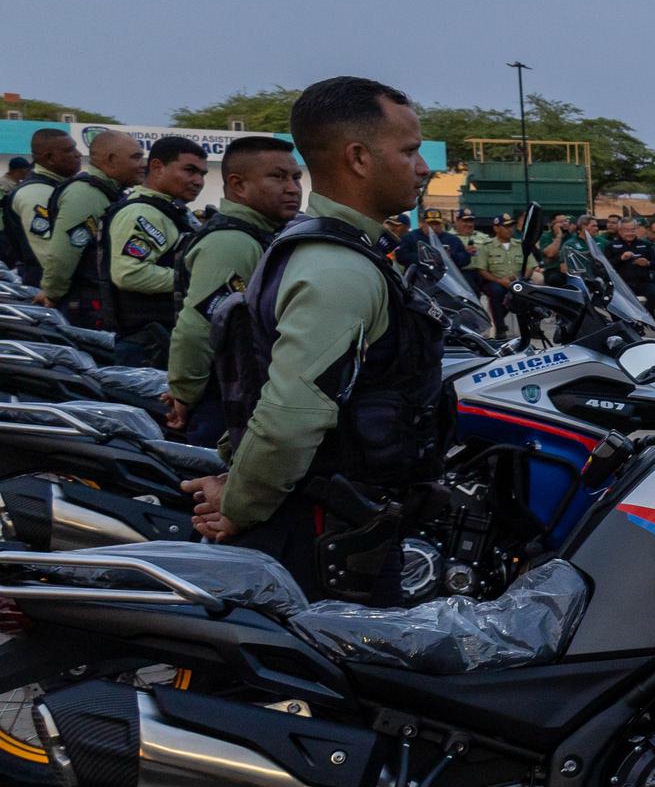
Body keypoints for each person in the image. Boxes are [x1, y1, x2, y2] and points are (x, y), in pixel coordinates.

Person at [181, 76, 445, 603]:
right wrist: (237, 505)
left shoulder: (327, 248)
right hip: (328, 529)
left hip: (331, 515)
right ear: (359, 158)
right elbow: (289, 419)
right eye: (409, 151)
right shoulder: (338, 268)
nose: (423, 168)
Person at [166, 136, 303, 445]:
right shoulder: (233, 241)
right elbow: (197, 329)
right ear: (238, 185)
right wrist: (184, 395)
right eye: (277, 177)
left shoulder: (262, 235)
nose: (293, 188)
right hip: (224, 402)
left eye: (296, 178)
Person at [89, 135, 212, 368]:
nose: (198, 181)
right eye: (189, 170)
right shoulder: (143, 213)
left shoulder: (170, 209)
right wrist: (195, 280)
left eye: (202, 174)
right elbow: (130, 273)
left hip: (159, 340)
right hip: (148, 345)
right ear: (157, 167)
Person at [37, 129, 145, 325]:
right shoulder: (86, 194)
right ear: (111, 160)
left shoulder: (108, 191)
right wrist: (52, 294)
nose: (142, 165)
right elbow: (64, 253)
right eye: (136, 158)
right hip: (85, 307)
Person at [7, 128, 81, 287]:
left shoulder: (58, 186)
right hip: (48, 290)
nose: (78, 154)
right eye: (69, 150)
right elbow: (48, 256)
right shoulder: (36, 193)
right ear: (49, 158)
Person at [471, 213, 532, 342]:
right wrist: (500, 281)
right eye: (506, 227)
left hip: (518, 281)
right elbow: (482, 270)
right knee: (496, 291)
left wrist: (521, 280)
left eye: (511, 226)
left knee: (529, 292)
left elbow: (530, 266)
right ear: (496, 228)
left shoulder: (520, 245)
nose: (510, 229)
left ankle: (531, 327)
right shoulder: (487, 247)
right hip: (496, 281)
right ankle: (500, 328)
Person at [607, 216, 655, 311]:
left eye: (632, 230)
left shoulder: (646, 245)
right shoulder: (611, 246)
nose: (630, 233)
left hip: (643, 282)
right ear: (620, 231)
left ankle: (645, 317)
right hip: (622, 284)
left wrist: (647, 263)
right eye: (626, 230)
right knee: (620, 300)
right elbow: (606, 266)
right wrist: (621, 258)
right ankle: (631, 321)